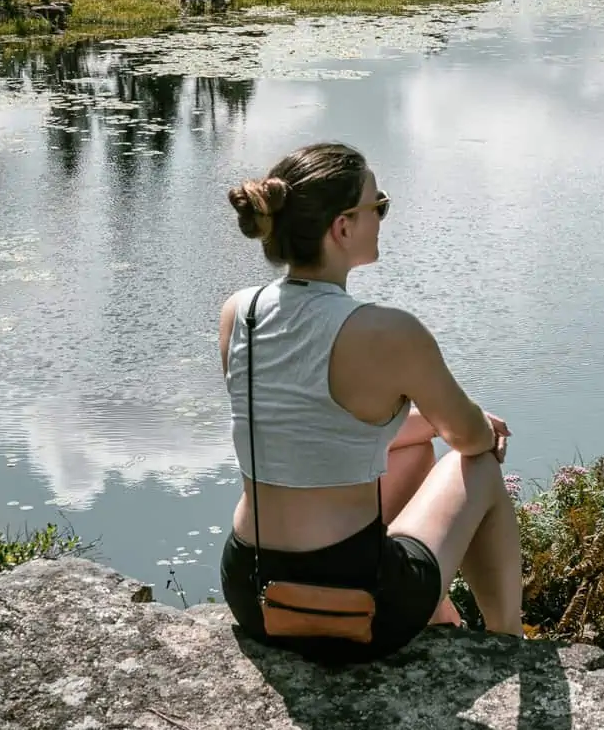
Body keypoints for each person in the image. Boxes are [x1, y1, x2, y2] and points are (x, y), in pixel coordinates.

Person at [218, 140, 522, 655]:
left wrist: (425, 424)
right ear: (343, 227)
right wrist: (473, 427)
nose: (382, 216)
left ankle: (442, 615)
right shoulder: (386, 332)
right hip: (354, 608)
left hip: (252, 594)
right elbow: (472, 438)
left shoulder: (239, 312)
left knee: (415, 452)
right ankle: (508, 645)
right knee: (479, 467)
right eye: (377, 206)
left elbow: (315, 427)